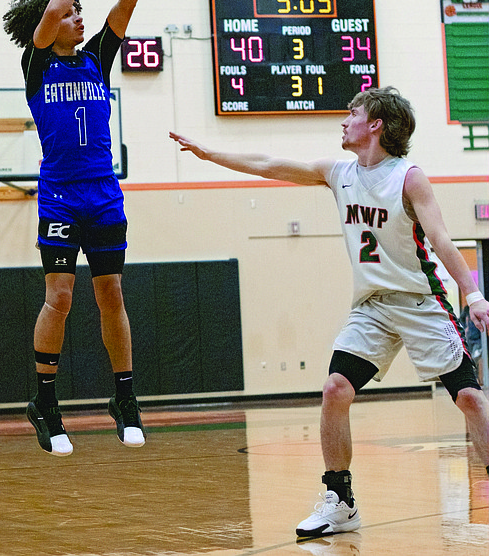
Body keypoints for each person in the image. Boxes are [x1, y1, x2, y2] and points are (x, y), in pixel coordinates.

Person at [170, 86, 489, 539]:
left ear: (375, 124)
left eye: (352, 113)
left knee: (471, 398)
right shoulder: (337, 172)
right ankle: (340, 502)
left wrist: (473, 295)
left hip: (422, 301)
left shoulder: (409, 177)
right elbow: (269, 164)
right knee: (336, 389)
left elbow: (440, 239)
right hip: (373, 306)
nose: (344, 121)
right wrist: (209, 154)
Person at [3, 0, 158, 456]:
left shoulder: (96, 58)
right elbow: (53, 11)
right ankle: (45, 402)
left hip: (104, 194)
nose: (77, 17)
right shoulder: (38, 61)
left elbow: (127, 2)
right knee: (61, 297)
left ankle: (125, 397)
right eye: (71, 14)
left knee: (110, 293)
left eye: (77, 14)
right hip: (61, 195)